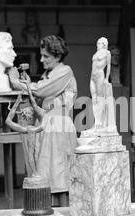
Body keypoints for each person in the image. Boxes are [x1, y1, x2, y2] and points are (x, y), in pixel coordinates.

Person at [8, 35, 77, 207]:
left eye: (46, 56)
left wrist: (17, 83)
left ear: (58, 56)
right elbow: (40, 98)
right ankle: (50, 214)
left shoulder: (64, 71)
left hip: (59, 127)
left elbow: (41, 91)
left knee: (59, 176)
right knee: (47, 174)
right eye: (41, 55)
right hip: (48, 126)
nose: (41, 59)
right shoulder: (48, 74)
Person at [89, 37, 116, 131]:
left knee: (100, 99)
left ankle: (100, 122)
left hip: (100, 75)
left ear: (104, 44)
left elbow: (108, 66)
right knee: (94, 99)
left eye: (99, 43)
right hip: (92, 77)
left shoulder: (107, 53)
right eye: (97, 43)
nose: (97, 44)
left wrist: (106, 79)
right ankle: (96, 121)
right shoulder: (96, 53)